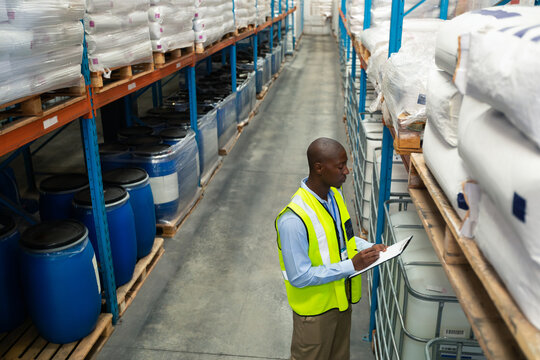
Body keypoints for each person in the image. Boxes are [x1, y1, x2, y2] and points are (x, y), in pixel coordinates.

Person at [275, 137, 387, 360]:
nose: (347, 170)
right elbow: (299, 276)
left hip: (341, 303)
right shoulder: (293, 219)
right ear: (319, 168)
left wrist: (369, 248)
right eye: (340, 166)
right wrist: (352, 266)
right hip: (314, 316)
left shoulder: (335, 196)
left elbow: (343, 241)